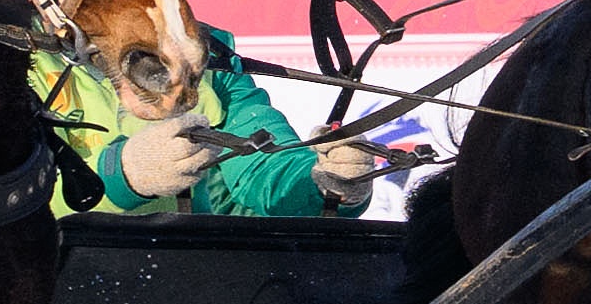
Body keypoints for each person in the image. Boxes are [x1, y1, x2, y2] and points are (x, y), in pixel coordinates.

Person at [35, 24, 376, 218]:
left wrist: (324, 184)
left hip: (182, 286)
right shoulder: (0, 55)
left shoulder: (203, 53)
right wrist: (121, 175)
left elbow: (264, 166)